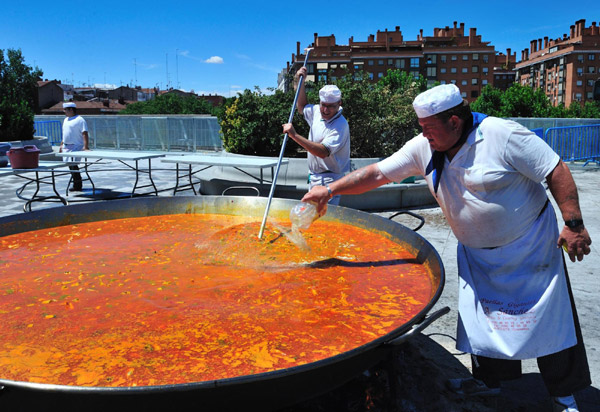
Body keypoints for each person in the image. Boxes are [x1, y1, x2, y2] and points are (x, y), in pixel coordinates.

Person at [302, 84, 592, 411]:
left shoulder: (501, 134)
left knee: (549, 321)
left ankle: (563, 396)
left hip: (530, 248)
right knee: (487, 324)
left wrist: (574, 224)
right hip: (479, 256)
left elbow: (555, 169)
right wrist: (329, 191)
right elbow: (377, 174)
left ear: (455, 122)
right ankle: (490, 384)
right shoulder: (423, 147)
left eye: (429, 128)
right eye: (421, 128)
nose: (424, 135)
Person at [282, 66, 350, 205]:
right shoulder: (317, 112)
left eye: (330, 106)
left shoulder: (340, 125)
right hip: (314, 177)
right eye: (323, 104)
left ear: (339, 104)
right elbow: (301, 106)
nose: (325, 110)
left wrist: (294, 136)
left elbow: (323, 151)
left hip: (330, 180)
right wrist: (299, 82)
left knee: (324, 219)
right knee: (313, 218)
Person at [60, 102, 90, 192]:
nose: (64, 111)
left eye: (65, 110)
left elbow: (84, 133)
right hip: (66, 146)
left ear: (71, 110)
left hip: (76, 146)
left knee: (74, 165)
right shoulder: (66, 120)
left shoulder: (80, 120)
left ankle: (77, 184)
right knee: (70, 166)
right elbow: (65, 133)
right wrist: (61, 144)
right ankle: (76, 183)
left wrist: (86, 147)